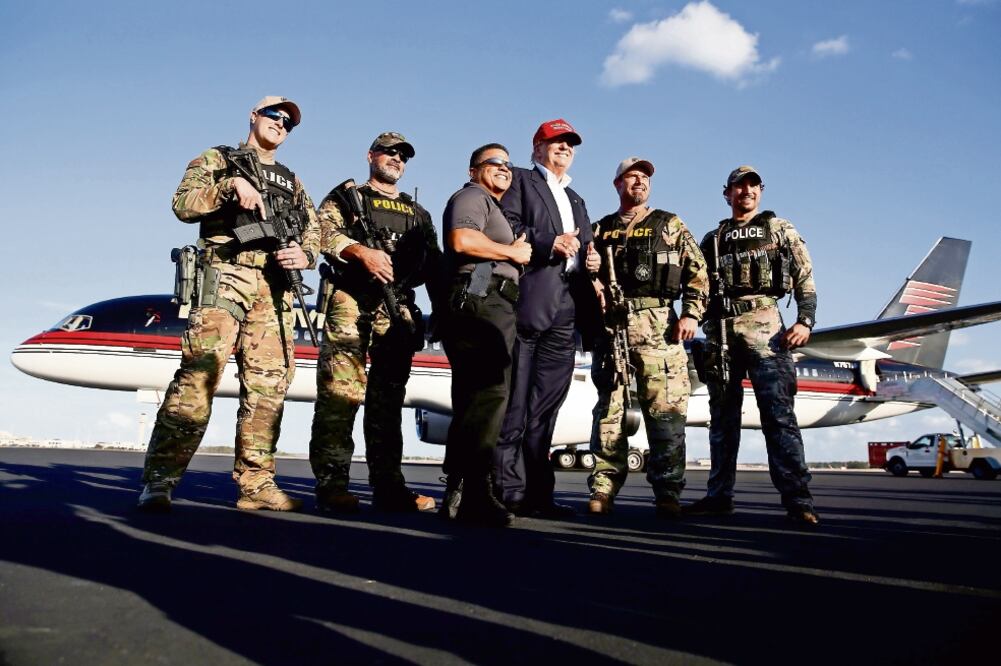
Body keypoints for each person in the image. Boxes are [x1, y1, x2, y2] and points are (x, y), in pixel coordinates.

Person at [138, 96, 320, 512]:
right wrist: (228, 186)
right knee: (199, 376)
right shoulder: (219, 158)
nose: (281, 124)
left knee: (269, 385)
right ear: (254, 116)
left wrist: (306, 256)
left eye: (289, 123)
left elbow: (312, 230)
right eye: (274, 115)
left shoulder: (292, 180)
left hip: (274, 287)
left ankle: (256, 484)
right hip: (227, 274)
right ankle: (160, 481)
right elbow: (183, 204)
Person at [308, 132, 443, 513]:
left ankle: (389, 487)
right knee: (340, 395)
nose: (396, 159)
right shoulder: (347, 199)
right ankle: (332, 485)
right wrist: (360, 251)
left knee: (387, 401)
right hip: (350, 301)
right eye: (389, 152)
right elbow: (321, 232)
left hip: (396, 308)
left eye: (403, 155)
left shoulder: (418, 214)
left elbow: (434, 265)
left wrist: (445, 312)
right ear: (371, 156)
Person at [686, 165, 819, 525]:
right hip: (722, 332)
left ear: (760, 191)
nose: (746, 191)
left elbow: (804, 273)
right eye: (738, 186)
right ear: (727, 193)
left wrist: (805, 319)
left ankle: (798, 501)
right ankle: (718, 497)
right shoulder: (713, 239)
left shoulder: (779, 229)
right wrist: (689, 319)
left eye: (753, 185)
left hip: (765, 327)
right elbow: (697, 287)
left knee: (778, 416)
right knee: (722, 420)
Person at [587, 158, 708, 517]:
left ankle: (668, 492)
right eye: (631, 177)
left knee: (665, 412)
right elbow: (582, 277)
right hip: (612, 330)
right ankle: (603, 488)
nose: (638, 182)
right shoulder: (600, 228)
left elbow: (698, 272)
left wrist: (691, 314)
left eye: (644, 178)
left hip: (660, 328)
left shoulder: (669, 224)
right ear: (617, 184)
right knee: (609, 412)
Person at [492, 118, 600, 518]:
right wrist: (547, 242)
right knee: (515, 405)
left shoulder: (576, 199)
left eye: (570, 143)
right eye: (556, 142)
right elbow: (505, 228)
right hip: (529, 300)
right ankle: (508, 491)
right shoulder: (520, 181)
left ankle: (539, 493)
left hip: (567, 308)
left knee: (546, 408)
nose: (564, 148)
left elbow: (586, 245)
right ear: (537, 148)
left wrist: (592, 256)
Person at [439, 143, 532, 526]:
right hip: (482, 294)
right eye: (495, 162)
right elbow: (462, 240)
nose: (504, 168)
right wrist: (512, 252)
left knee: (476, 396)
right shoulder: (472, 196)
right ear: (473, 169)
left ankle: (460, 490)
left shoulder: (489, 203)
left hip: (486, 297)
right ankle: (476, 490)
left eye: (509, 165)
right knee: (491, 392)